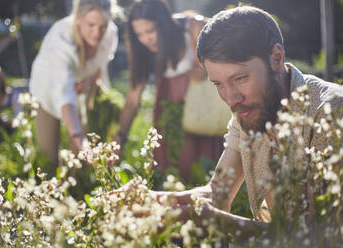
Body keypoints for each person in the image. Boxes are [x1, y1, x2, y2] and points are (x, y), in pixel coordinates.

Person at [122, 5, 343, 242]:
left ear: (277, 57)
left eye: (240, 78)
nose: (230, 99)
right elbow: (217, 193)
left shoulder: (331, 115)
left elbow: (324, 237)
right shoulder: (249, 108)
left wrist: (219, 223)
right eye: (218, 84)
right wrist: (158, 201)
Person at [116, 0, 224, 181]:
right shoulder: (142, 49)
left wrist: (205, 68)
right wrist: (120, 138)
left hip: (200, 105)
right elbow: (133, 99)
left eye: (150, 31)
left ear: (164, 24)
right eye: (139, 34)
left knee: (205, 165)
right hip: (169, 108)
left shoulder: (192, 28)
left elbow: (227, 53)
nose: (146, 39)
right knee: (173, 165)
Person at [29, 0, 118, 167]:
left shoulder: (111, 32)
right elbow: (64, 94)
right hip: (49, 87)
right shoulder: (61, 37)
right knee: (48, 157)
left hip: (82, 90)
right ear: (78, 17)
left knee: (81, 159)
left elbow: (102, 63)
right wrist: (78, 137)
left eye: (102, 26)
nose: (97, 33)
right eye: (91, 25)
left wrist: (88, 81)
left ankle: (78, 186)